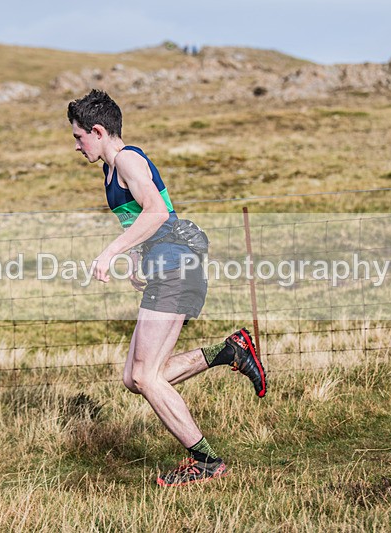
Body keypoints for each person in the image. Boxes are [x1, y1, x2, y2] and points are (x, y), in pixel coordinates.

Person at [67, 89, 267, 487]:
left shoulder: (126, 159)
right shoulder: (111, 170)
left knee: (146, 377)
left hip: (178, 267)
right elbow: (153, 215)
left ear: (98, 130)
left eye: (78, 137)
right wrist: (140, 258)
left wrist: (111, 252)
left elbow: (158, 212)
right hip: (166, 266)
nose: (76, 146)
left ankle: (206, 461)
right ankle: (230, 350)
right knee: (134, 378)